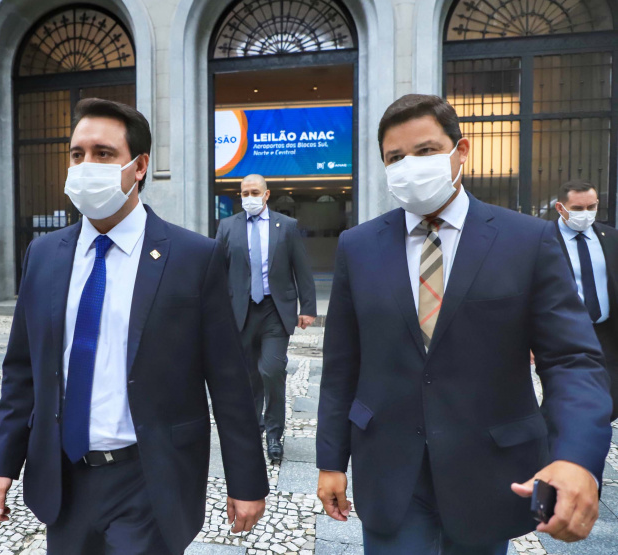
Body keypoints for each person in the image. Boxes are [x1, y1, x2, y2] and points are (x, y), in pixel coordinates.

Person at [316, 94, 612, 554]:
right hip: (390, 470)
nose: (411, 166)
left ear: (461, 151)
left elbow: (571, 360)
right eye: (396, 157)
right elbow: (341, 364)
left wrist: (576, 457)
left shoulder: (526, 240)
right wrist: (331, 461)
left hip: (488, 471)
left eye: (426, 150)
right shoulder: (358, 246)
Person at [0, 98, 268, 554]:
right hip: (63, 478)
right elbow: (22, 371)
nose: (86, 166)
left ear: (139, 166)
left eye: (103, 154)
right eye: (77, 154)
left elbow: (230, 378)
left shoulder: (193, 257)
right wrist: (3, 463)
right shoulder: (44, 255)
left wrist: (247, 479)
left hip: (148, 480)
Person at [215, 174, 317, 462]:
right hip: (241, 311)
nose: (249, 197)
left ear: (266, 194)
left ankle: (274, 434)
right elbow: (217, 270)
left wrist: (308, 307)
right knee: (248, 376)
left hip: (275, 310)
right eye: (244, 193)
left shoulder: (287, 226)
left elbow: (301, 267)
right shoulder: (227, 226)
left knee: (271, 371)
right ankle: (253, 426)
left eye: (254, 192)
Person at [553, 180, 618, 421]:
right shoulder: (542, 239)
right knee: (568, 399)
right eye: (578, 209)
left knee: (612, 397)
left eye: (592, 207)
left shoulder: (611, 238)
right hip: (564, 334)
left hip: (606, 332)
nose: (586, 213)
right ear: (560, 208)